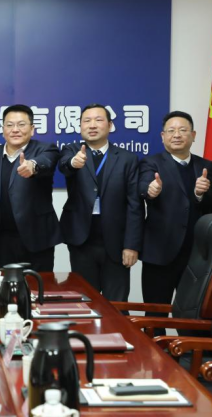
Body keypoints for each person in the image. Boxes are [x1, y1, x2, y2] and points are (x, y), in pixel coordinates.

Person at [58, 104, 142, 302]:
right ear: (80, 126)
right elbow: (65, 165)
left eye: (98, 120)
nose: (92, 125)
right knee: (85, 302)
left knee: (117, 304)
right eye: (87, 121)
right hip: (81, 240)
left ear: (110, 125)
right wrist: (73, 163)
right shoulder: (71, 151)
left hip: (116, 242)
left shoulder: (127, 159)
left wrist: (131, 245)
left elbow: (135, 205)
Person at [139, 111, 211, 312]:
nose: (177, 135)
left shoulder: (206, 166)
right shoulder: (151, 163)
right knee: (155, 314)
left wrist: (199, 195)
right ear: (163, 136)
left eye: (183, 130)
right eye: (171, 131)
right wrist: (151, 190)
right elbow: (144, 186)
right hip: (159, 253)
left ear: (193, 135)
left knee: (191, 315)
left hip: (196, 255)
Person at [0, 104, 60, 272]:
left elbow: (46, 161)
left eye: (21, 125)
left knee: (38, 286)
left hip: (37, 240)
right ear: (3, 130)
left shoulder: (46, 149)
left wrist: (33, 165)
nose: (15, 130)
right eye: (9, 125)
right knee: (2, 287)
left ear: (32, 129)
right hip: (0, 242)